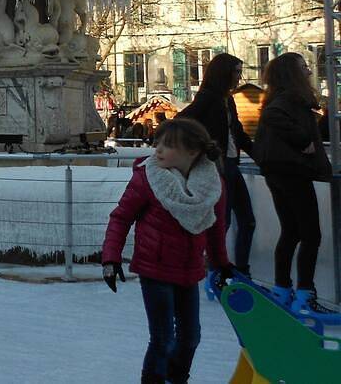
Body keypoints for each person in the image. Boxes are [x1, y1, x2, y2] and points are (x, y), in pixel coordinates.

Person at [101, 118, 231, 384]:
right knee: (163, 338)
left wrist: (222, 264)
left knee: (191, 337)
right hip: (155, 268)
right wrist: (110, 258)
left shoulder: (212, 184)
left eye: (168, 145)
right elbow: (121, 217)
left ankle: (176, 378)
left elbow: (215, 227)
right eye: (157, 142)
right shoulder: (148, 178)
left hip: (189, 270)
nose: (158, 150)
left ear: (192, 152)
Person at [252, 52, 334, 319]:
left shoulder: (280, 98)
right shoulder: (289, 100)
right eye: (303, 67)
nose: (309, 71)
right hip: (293, 172)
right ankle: (305, 293)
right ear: (292, 73)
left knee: (292, 232)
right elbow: (275, 117)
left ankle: (282, 289)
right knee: (310, 234)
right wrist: (302, 140)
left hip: (280, 172)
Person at [176, 53, 255, 275]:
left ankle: (240, 270)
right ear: (224, 73)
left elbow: (238, 132)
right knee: (224, 220)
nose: (239, 77)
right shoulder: (208, 98)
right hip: (219, 166)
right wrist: (205, 147)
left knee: (246, 220)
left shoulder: (227, 99)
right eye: (236, 72)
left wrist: (259, 154)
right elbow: (182, 120)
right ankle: (217, 270)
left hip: (231, 163)